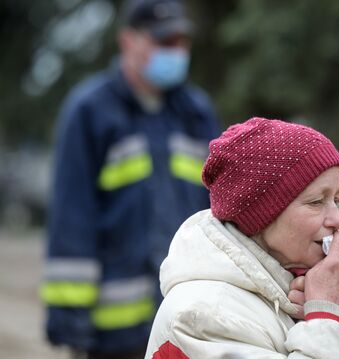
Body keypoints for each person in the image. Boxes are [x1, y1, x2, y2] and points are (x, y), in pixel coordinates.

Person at [145, 117, 339, 358]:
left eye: (336, 199)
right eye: (316, 202)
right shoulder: (202, 314)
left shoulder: (318, 285)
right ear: (260, 216)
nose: (338, 220)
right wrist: (330, 319)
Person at [40, 0, 220, 357]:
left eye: (180, 42)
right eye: (163, 41)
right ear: (127, 41)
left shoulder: (195, 113)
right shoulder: (89, 112)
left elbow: (217, 209)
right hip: (113, 334)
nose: (175, 52)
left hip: (186, 321)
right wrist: (70, 320)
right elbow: (71, 217)